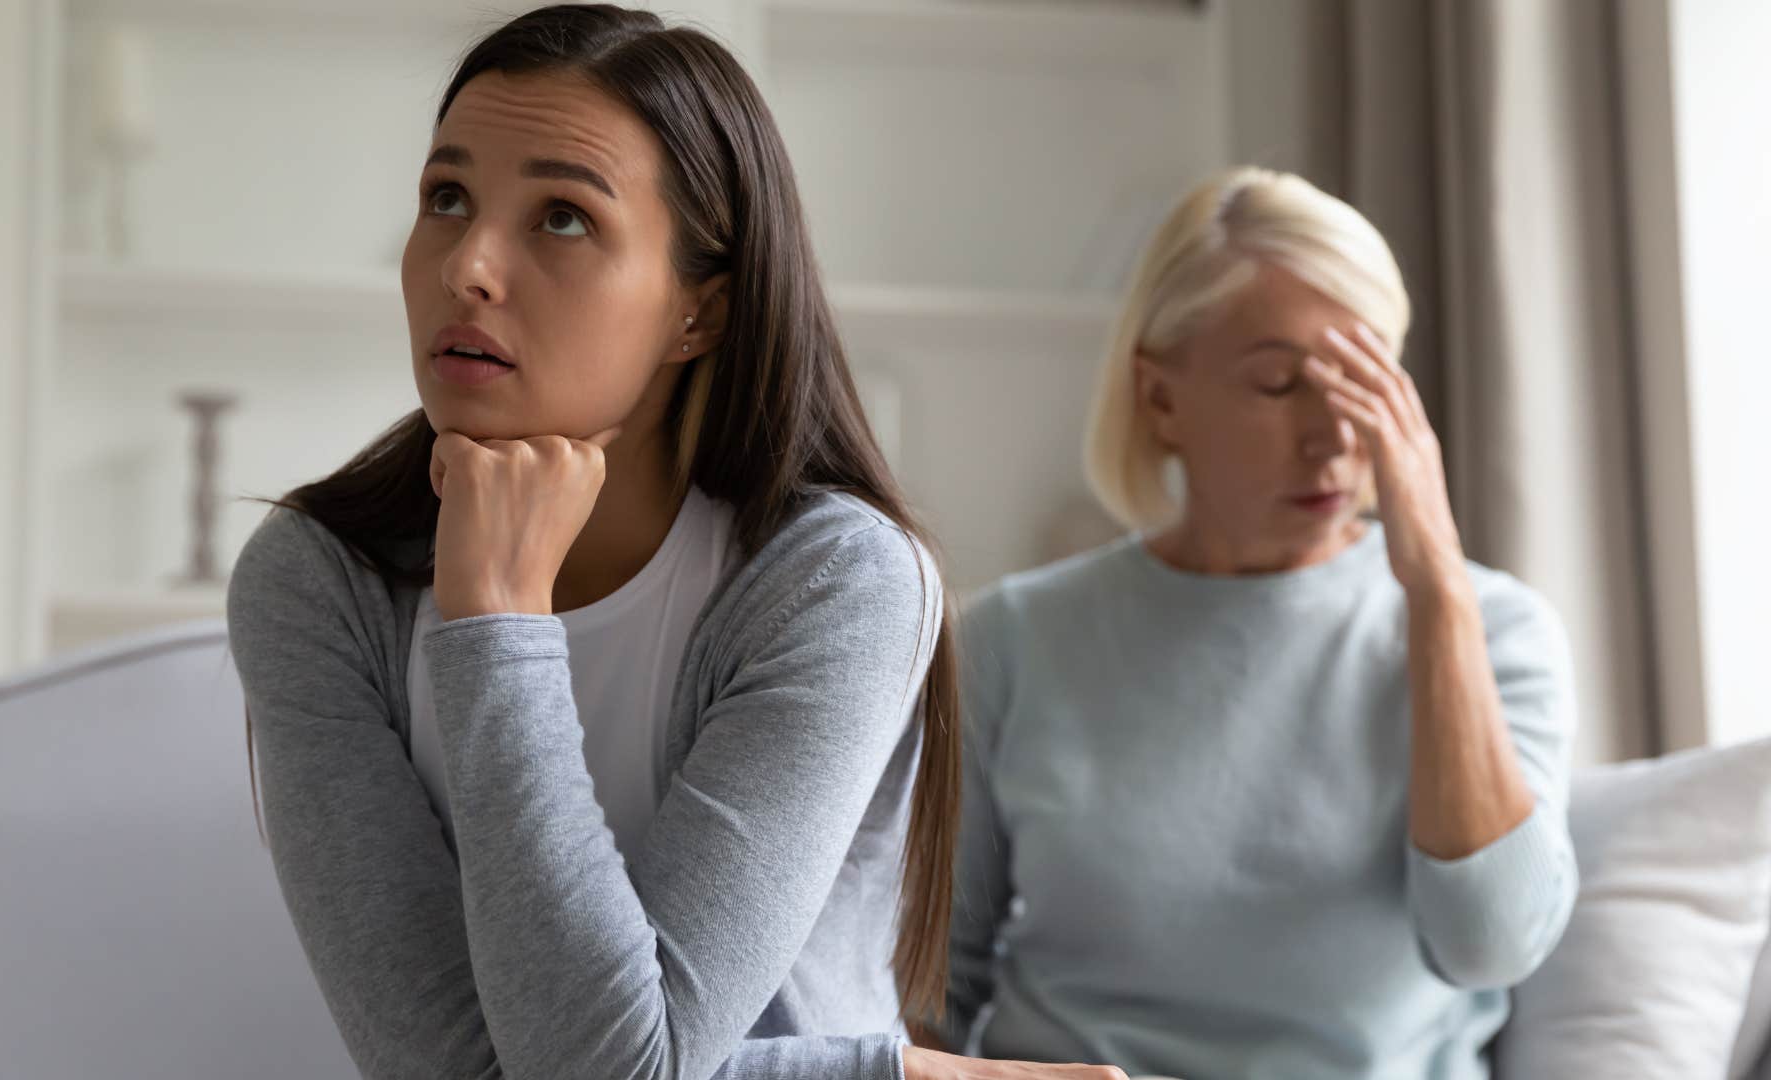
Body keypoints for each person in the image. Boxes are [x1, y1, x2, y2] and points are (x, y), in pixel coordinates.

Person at [227, 6, 1124, 1079]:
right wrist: (878, 1072)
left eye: (561, 217)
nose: (468, 264)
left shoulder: (832, 584)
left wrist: (499, 623)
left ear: (699, 314)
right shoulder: (319, 581)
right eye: (447, 197)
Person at [935, 166, 1580, 1079]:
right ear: (1160, 400)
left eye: (1366, 382)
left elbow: (1491, 945)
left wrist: (1437, 591)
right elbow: (928, 990)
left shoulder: (1499, 631)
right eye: (1280, 384)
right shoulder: (1009, 641)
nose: (1335, 437)